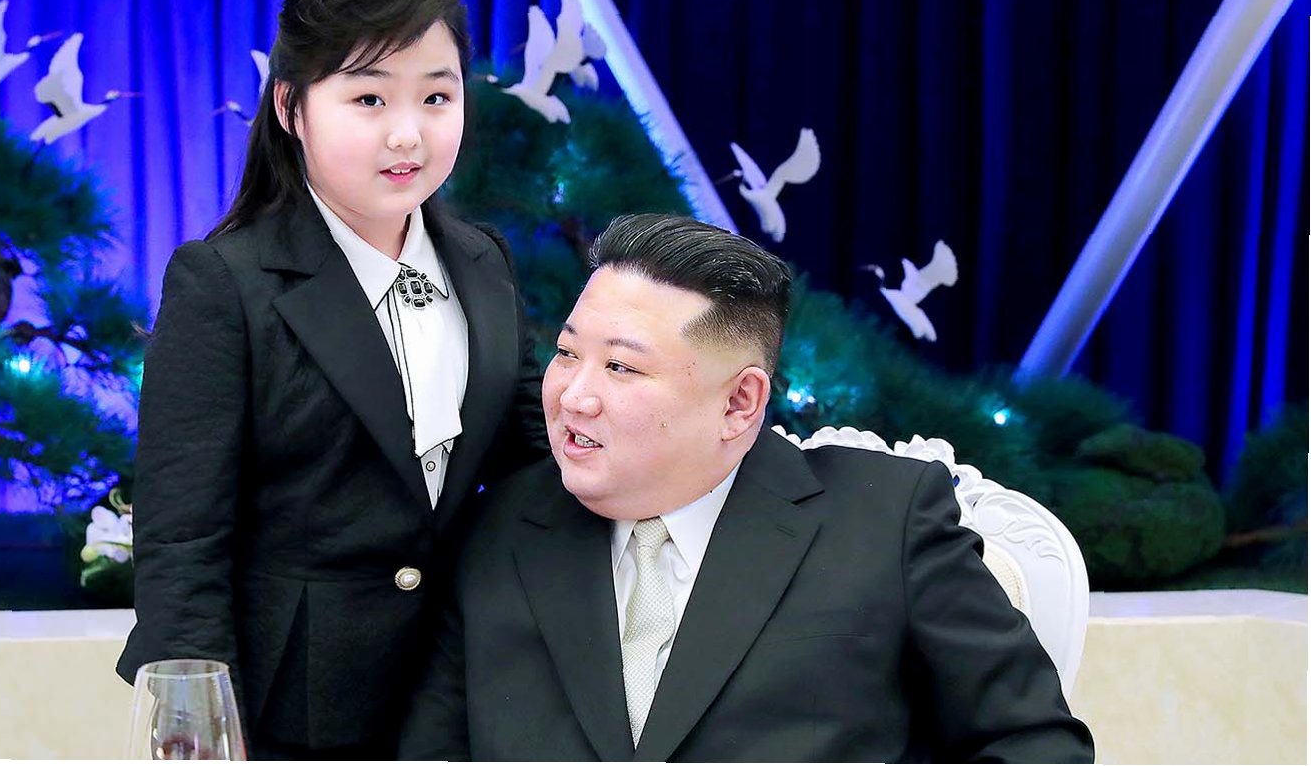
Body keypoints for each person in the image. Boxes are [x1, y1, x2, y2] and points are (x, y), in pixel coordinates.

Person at [398, 213, 1095, 762]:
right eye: (567, 353)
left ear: (739, 403)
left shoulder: (886, 520)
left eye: (621, 368)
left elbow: (1034, 746)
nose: (573, 396)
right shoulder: (504, 526)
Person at [115, 0, 547, 759]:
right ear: (291, 107)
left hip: (463, 690)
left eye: (437, 97)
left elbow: (531, 460)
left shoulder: (483, 260)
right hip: (295, 707)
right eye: (369, 99)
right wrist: (195, 725)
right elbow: (181, 540)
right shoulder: (223, 282)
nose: (408, 135)